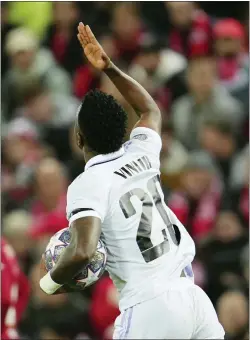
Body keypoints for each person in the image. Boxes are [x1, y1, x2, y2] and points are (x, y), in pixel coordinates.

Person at [39, 23, 225, 339]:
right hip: (192, 297)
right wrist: (109, 67)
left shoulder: (88, 183)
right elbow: (149, 108)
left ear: (79, 137)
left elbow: (83, 250)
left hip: (150, 306)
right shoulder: (142, 150)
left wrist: (50, 282)